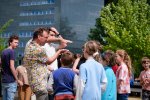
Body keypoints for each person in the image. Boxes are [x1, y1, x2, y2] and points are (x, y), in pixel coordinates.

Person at [23, 27, 67, 100]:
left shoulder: (29, 43)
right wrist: (59, 51)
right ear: (39, 37)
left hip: (34, 81)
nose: (47, 39)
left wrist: (58, 35)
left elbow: (63, 44)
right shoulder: (39, 49)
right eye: (46, 37)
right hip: (41, 83)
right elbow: (49, 61)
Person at [1, 35, 22, 100]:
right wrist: (17, 80)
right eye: (15, 42)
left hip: (4, 81)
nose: (17, 44)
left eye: (18, 43)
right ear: (10, 42)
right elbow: (12, 66)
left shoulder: (3, 51)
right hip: (11, 81)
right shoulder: (12, 52)